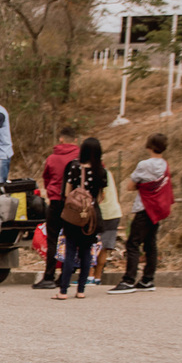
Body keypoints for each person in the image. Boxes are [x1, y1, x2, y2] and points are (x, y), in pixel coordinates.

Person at [110, 133, 173, 294]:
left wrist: (142, 186)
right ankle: (147, 279)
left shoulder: (144, 165)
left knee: (133, 243)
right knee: (150, 243)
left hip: (144, 208)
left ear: (148, 146)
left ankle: (128, 280)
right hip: (157, 209)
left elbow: (130, 186)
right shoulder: (165, 165)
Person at [55, 138, 107, 300]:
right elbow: (101, 197)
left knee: (70, 251)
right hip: (91, 218)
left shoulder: (74, 167)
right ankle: (81, 290)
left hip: (73, 216)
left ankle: (63, 291)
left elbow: (66, 192)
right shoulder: (101, 171)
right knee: (86, 253)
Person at [33, 127, 80, 290]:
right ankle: (66, 274)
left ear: (61, 139)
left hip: (55, 201)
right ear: (75, 140)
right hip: (75, 203)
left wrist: (51, 192)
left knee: (53, 238)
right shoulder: (80, 157)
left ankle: (49, 275)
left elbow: (46, 178)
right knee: (72, 238)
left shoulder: (52, 158)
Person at [89, 167, 123, 286]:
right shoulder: (107, 172)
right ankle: (97, 277)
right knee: (103, 248)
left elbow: (100, 195)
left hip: (100, 213)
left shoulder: (94, 172)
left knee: (91, 245)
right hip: (114, 212)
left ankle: (89, 276)